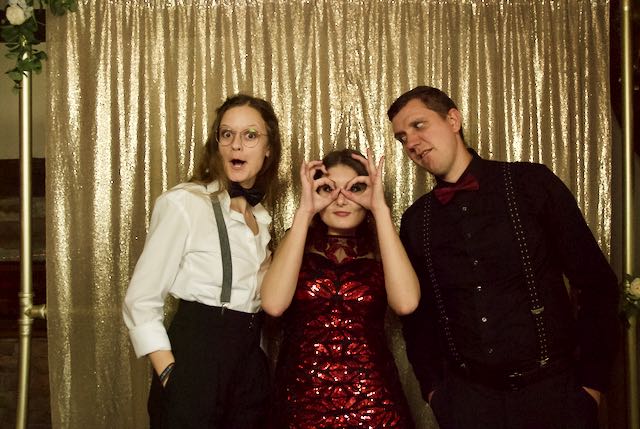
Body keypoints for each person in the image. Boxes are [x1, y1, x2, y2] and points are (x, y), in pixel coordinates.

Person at [387, 85, 620, 429]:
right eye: (402, 138)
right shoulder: (416, 219)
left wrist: (591, 386)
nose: (411, 143)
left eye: (419, 125)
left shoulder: (530, 183)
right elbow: (419, 321)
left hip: (554, 395)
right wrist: (436, 392)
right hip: (469, 403)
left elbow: (596, 283)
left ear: (453, 119)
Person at [122, 93, 282, 429]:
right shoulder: (184, 203)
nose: (236, 145)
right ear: (217, 143)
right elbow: (141, 299)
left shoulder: (262, 217)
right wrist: (170, 373)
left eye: (250, 135)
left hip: (250, 361)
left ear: (268, 148)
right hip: (197, 356)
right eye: (227, 134)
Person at [261, 148, 420, 428]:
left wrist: (380, 210)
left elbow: (406, 304)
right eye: (329, 188)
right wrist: (305, 211)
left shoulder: (383, 247)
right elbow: (273, 304)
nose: (341, 199)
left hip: (375, 405)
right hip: (301, 405)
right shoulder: (295, 240)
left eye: (354, 188)